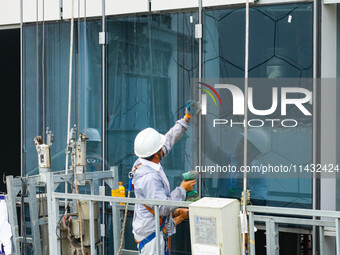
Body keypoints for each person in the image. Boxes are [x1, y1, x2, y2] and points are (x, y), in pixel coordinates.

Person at [131, 100, 200, 255]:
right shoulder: (148, 177)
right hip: (151, 236)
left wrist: (186, 118)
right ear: (156, 153)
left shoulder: (144, 160)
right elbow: (162, 208)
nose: (165, 147)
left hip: (152, 228)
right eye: (161, 148)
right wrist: (183, 189)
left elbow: (168, 139)